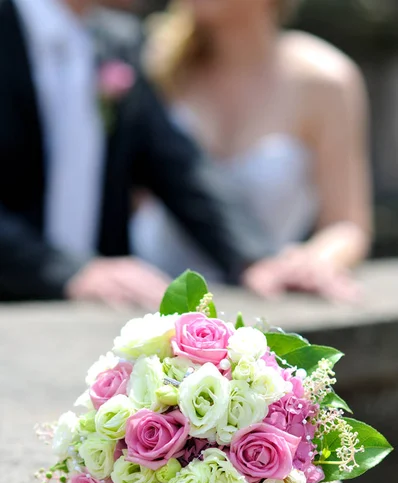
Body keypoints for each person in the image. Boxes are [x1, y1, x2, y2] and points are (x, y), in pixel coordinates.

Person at [0, 0, 270, 307]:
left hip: (91, 322)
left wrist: (256, 259)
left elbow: (178, 164)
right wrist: (65, 271)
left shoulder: (118, 40)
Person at [135, 0, 373, 300]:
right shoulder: (155, 67)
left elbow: (347, 225)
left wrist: (312, 262)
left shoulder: (324, 80)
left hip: (259, 299)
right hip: (145, 303)